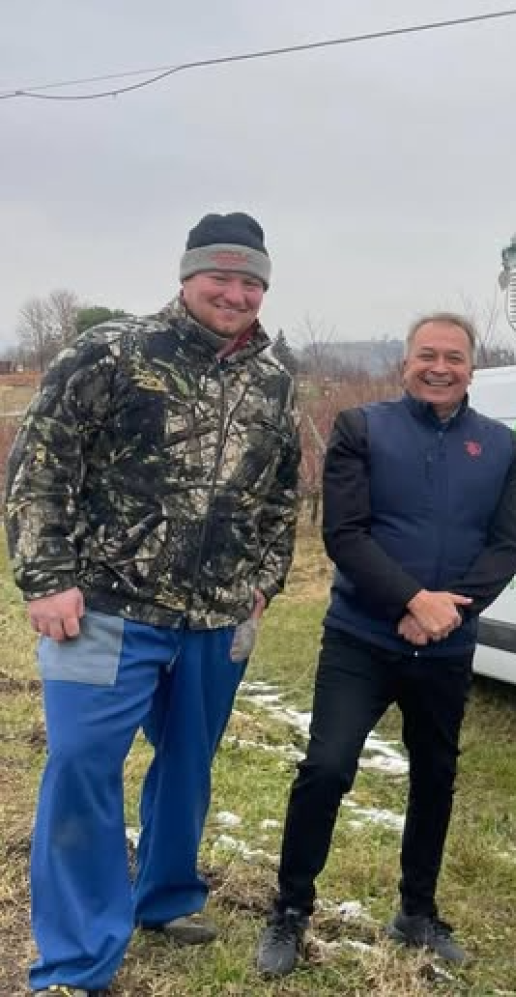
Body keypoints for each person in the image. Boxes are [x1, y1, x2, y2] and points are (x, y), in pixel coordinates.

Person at [4, 211, 301, 997]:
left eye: (250, 281)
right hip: (104, 609)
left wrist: (264, 578)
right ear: (187, 276)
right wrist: (45, 577)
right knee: (80, 766)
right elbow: (39, 464)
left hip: (215, 619)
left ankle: (164, 897)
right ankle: (74, 962)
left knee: (187, 765)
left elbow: (279, 491)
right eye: (221, 277)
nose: (234, 293)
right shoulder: (113, 352)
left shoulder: (273, 376)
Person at [255, 311, 516, 977]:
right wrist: (411, 600)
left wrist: (444, 614)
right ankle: (290, 909)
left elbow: (505, 545)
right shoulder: (361, 429)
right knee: (327, 767)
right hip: (361, 638)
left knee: (435, 776)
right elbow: (345, 534)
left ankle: (417, 911)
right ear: (404, 363)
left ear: (472, 367)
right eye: (427, 355)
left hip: (446, 649)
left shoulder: (497, 445)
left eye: (454, 357)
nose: (440, 367)